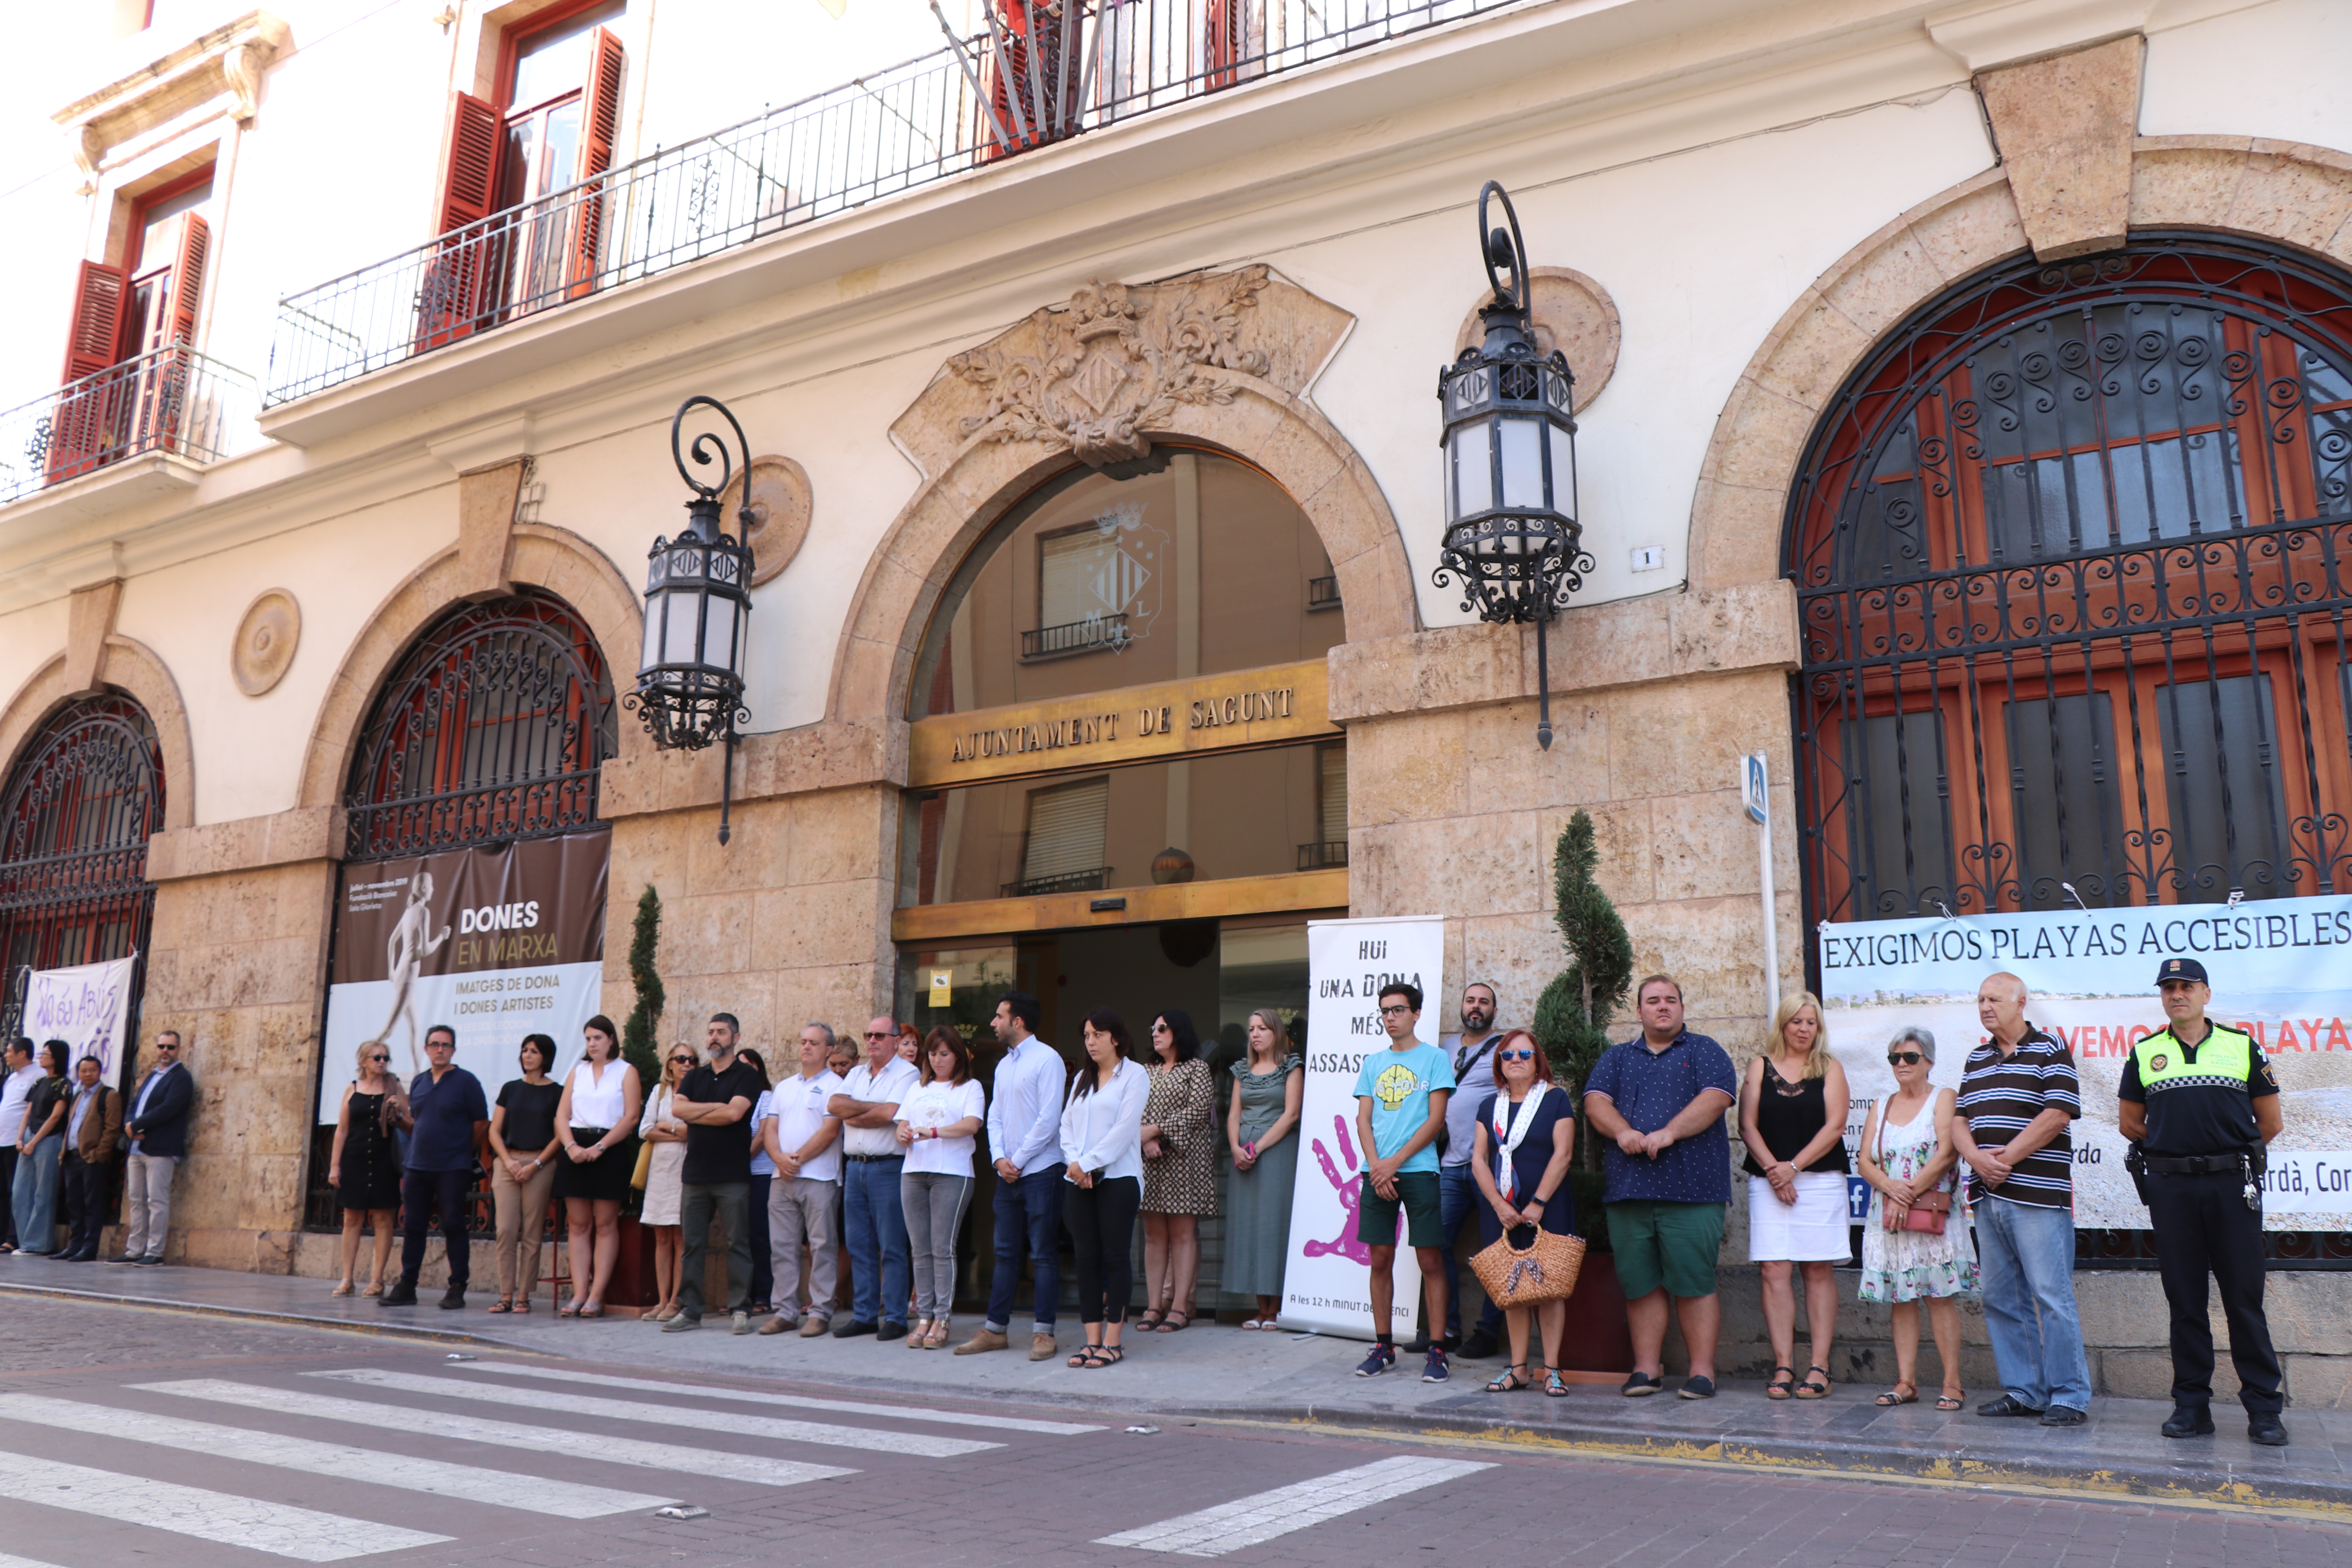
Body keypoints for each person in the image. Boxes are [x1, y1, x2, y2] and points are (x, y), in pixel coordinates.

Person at [2121, 957, 2287, 1447]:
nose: (2178, 994)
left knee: (2244, 1300)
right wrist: (2175, 1146)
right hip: (2171, 1189)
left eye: (2187, 986)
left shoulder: (2243, 1046)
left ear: (2206, 994)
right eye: (2169, 987)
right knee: (2185, 1301)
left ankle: (2264, 1410)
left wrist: (2219, 1151)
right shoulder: (2145, 1052)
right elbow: (2130, 1122)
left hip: (2232, 1186)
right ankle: (2192, 1407)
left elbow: (2271, 1123)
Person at [1582, 975, 1738, 1399]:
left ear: (1682, 1008)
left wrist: (1669, 1132)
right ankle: (1646, 1370)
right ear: (1639, 1011)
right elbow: (1596, 1102)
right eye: (1653, 1001)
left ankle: (1702, 1373)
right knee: (1641, 1284)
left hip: (1693, 1192)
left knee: (1694, 1282)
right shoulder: (1616, 1058)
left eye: (1671, 1000)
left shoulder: (1705, 1051)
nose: (1663, 1006)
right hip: (1629, 1190)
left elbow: (1716, 1098)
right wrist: (1623, 1132)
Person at [1955, 971, 2090, 1427]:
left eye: (1994, 998)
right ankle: (2024, 1390)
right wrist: (1976, 1157)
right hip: (1987, 1196)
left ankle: (2069, 1395)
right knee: (2000, 1297)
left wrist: (2006, 1158)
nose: (1986, 1005)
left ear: (2021, 1002)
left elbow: (2058, 1112)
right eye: (1980, 999)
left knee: (2051, 1296)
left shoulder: (2051, 1049)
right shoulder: (1976, 1058)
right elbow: (1959, 1119)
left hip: (2035, 1195)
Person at [1738, 990, 1851, 1400]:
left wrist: (1793, 1168)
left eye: (1811, 1022)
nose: (1804, 1029)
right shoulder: (1758, 1067)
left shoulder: (1830, 1067)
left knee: (1818, 1269)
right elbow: (1747, 1126)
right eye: (1797, 1021)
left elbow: (1835, 1126)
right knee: (1774, 1270)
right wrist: (1775, 1170)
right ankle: (1784, 1363)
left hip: (1818, 1180)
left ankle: (1820, 1366)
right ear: (1782, 1025)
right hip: (1769, 1181)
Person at [1856, 1025, 1974, 1412]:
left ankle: (1952, 1383)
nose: (1902, 1064)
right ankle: (1906, 1381)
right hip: (1891, 1213)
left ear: (1929, 1061)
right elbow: (1865, 1161)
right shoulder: (1881, 1105)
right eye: (1895, 1058)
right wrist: (1893, 1190)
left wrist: (1909, 1192)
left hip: (1931, 1211)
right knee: (1900, 1298)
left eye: (1910, 1057)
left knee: (1940, 1297)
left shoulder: (1944, 1098)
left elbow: (1946, 1153)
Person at [1350, 982, 1455, 1382]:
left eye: (1397, 1010)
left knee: (1430, 1259)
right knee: (1380, 1258)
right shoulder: (1373, 1062)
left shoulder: (1434, 1060)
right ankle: (1383, 1345)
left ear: (1415, 1013)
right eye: (1384, 1011)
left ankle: (1438, 1350)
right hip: (1376, 1172)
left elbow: (1436, 1120)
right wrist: (1377, 1165)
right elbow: (1363, 1119)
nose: (1390, 1017)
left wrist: (1394, 1161)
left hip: (1420, 1170)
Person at [1469, 1029, 1577, 1396]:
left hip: (1547, 1209)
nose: (1516, 1060)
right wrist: (1500, 1206)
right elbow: (1479, 1160)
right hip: (1502, 1213)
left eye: (1525, 1055)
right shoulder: (1489, 1106)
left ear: (1538, 1061)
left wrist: (1538, 1203)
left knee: (1549, 1290)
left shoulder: (1556, 1099)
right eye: (1508, 1055)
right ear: (1499, 1063)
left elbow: (1563, 1154)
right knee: (1510, 1288)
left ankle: (1551, 1369)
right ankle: (1518, 1369)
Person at [959, 992, 1065, 1360]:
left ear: (1017, 1022)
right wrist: (999, 1159)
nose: (993, 1023)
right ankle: (995, 1330)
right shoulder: (1004, 1065)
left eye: (999, 1016)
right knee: (1004, 1253)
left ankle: (1044, 1333)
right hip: (1009, 1173)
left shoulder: (1048, 1059)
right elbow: (996, 1117)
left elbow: (1050, 1120)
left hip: (1042, 1171)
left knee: (1044, 1255)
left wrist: (1016, 1160)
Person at [664, 1013, 763, 1334]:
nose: (713, 1038)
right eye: (710, 1032)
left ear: (735, 1038)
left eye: (721, 1032)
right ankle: (690, 1310)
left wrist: (700, 1111)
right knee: (693, 1244)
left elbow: (735, 1114)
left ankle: (740, 1310)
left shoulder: (747, 1075)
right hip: (695, 1174)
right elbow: (677, 1110)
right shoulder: (695, 1076)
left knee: (738, 1243)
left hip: (732, 1174)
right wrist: (716, 1109)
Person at [1061, 1008, 1149, 1368]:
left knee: (1115, 1257)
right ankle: (1091, 1339)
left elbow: (1125, 1130)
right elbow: (1066, 1126)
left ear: (1116, 1037)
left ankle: (1113, 1341)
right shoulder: (1083, 1077)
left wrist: (1088, 1163)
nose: (1091, 1042)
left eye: (1097, 1034)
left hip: (1119, 1179)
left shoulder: (1135, 1075)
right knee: (1085, 1259)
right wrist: (1075, 1164)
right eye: (1086, 1036)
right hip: (1078, 1179)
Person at [382, 1024, 488, 1309]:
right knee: (414, 1225)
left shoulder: (467, 1082)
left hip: (452, 1166)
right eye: (435, 1045)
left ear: (453, 1050)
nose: (440, 1050)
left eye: (446, 1045)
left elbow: (481, 1123)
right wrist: (398, 1120)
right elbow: (416, 1126)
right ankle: (407, 1285)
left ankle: (457, 1287)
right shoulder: (419, 1082)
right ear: (427, 1049)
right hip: (418, 1165)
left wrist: (463, 1151)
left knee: (453, 1224)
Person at [896, 1026, 986, 1349]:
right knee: (919, 1250)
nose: (937, 1060)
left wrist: (933, 1132)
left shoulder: (970, 1087)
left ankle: (942, 1318)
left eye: (944, 1054)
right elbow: (902, 1125)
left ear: (958, 1056)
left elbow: (971, 1125)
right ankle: (924, 1318)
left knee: (942, 1247)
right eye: (932, 1054)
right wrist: (905, 1134)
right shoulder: (916, 1087)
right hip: (914, 1172)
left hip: (952, 1172)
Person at [831, 1016, 919, 1342]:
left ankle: (895, 1316)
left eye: (880, 1035)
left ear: (896, 1041)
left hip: (887, 1168)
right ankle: (865, 1315)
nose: (872, 1041)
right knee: (859, 1245)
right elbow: (834, 1105)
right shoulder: (855, 1073)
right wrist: (870, 1112)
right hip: (855, 1167)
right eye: (868, 1035)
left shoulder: (908, 1073)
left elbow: (890, 1113)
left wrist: (856, 1113)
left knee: (892, 1246)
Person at [758, 1023, 845, 1337]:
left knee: (822, 1246)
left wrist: (798, 1160)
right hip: (781, 1177)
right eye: (803, 1042)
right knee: (782, 1246)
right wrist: (780, 1159)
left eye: (814, 1043)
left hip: (819, 1177)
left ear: (829, 1050)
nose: (806, 1047)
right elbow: (770, 1128)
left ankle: (820, 1312)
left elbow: (830, 1130)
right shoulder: (783, 1087)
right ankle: (785, 1311)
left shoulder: (837, 1086)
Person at [1435, 983, 1507, 1356]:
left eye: (1484, 1002)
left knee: (1496, 1249)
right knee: (1436, 1245)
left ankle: (1488, 1333)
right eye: (1471, 1001)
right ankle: (1445, 1331)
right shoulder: (1445, 1049)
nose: (1476, 1007)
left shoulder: (1505, 1048)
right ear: (1461, 1007)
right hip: (1449, 1165)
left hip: (1489, 1167)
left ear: (1494, 1010)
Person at [1138, 1010, 1218, 1333]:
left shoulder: (1196, 1068)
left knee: (1183, 1235)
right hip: (1150, 1162)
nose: (1155, 1033)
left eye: (1162, 1028)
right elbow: (1129, 1108)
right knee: (1154, 1236)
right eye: (1153, 1028)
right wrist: (1144, 1141)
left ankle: (1182, 1306)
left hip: (1185, 1162)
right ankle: (1154, 1305)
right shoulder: (1144, 1071)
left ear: (1178, 1032)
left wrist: (1155, 1131)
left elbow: (1198, 1111)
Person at [1224, 1008, 1303, 1328]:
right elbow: (1233, 1115)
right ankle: (1260, 1308)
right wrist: (1235, 1147)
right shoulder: (1243, 1069)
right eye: (1251, 1029)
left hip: (1277, 1150)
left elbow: (1291, 1115)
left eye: (1262, 1029)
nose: (1255, 1034)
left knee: (1275, 1225)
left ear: (1277, 1033)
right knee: (1249, 1228)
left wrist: (1257, 1147)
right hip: (1243, 1153)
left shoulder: (1292, 1067)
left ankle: (1277, 1308)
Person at [486, 1033, 564, 1314]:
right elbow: (494, 1130)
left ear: (546, 1057)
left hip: (539, 1164)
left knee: (532, 1232)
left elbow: (560, 1135)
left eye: (534, 1051)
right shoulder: (510, 1088)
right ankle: (505, 1294)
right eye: (524, 1051)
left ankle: (523, 1295)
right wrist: (507, 1162)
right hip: (509, 1162)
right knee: (506, 1230)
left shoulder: (557, 1092)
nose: (527, 1055)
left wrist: (537, 1165)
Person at [327, 1041, 407, 1297]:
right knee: (352, 1219)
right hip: (355, 1159)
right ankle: (347, 1278)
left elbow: (411, 1123)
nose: (382, 1062)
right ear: (363, 1061)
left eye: (386, 1058)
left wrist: (399, 1113)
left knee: (384, 1220)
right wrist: (334, 1166)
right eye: (377, 1058)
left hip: (384, 1159)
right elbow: (342, 1130)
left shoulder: (394, 1087)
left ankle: (377, 1279)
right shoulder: (352, 1089)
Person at [114, 1029, 195, 1266]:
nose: (165, 1052)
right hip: (137, 1147)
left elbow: (169, 1108)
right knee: (136, 1200)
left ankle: (154, 1251)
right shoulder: (152, 1075)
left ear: (179, 1050)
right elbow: (135, 1103)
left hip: (160, 1148)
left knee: (157, 1201)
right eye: (162, 1047)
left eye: (171, 1047)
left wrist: (138, 1125)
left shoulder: (181, 1078)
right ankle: (134, 1249)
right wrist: (129, 1125)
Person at [638, 1042, 695, 1322]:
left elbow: (695, 1132)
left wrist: (667, 1126)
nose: (687, 1064)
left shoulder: (698, 1093)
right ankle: (662, 1300)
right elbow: (645, 1129)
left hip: (686, 1170)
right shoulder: (660, 1092)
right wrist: (676, 1132)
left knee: (680, 1237)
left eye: (692, 1060)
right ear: (670, 1064)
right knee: (661, 1236)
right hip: (660, 1170)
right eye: (681, 1059)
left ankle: (676, 1300)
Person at [10, 1043, 71, 1257]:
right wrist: (20, 1138)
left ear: (56, 1058)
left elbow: (55, 1117)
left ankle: (38, 1244)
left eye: (46, 1054)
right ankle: (25, 1240)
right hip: (28, 1136)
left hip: (48, 1139)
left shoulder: (63, 1084)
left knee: (43, 1192)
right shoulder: (39, 1082)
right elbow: (28, 1112)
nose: (42, 1057)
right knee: (20, 1192)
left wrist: (34, 1141)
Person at [59, 1055, 122, 1260]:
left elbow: (112, 1129)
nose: (88, 1074)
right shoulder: (78, 1096)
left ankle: (90, 1247)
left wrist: (100, 1154)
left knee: (92, 1203)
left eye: (92, 1070)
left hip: (91, 1158)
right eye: (84, 1070)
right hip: (72, 1157)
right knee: (74, 1203)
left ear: (100, 1071)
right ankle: (75, 1243)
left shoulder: (109, 1095)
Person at [741, 1047, 776, 1314]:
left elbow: (764, 1134)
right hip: (735, 1178)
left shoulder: (766, 1097)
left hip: (761, 1176)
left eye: (748, 1065)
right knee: (739, 1239)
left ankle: (764, 1295)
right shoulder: (733, 1098)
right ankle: (741, 1297)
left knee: (760, 1237)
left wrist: (737, 1162)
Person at [0, 1038, 38, 1253]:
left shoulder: (38, 1075)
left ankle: (14, 1237)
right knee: (2, 1191)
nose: (6, 1055)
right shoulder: (12, 1078)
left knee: (17, 1190)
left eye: (10, 1051)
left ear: (22, 1054)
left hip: (18, 1141)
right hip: (2, 1139)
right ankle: (2, 1234)